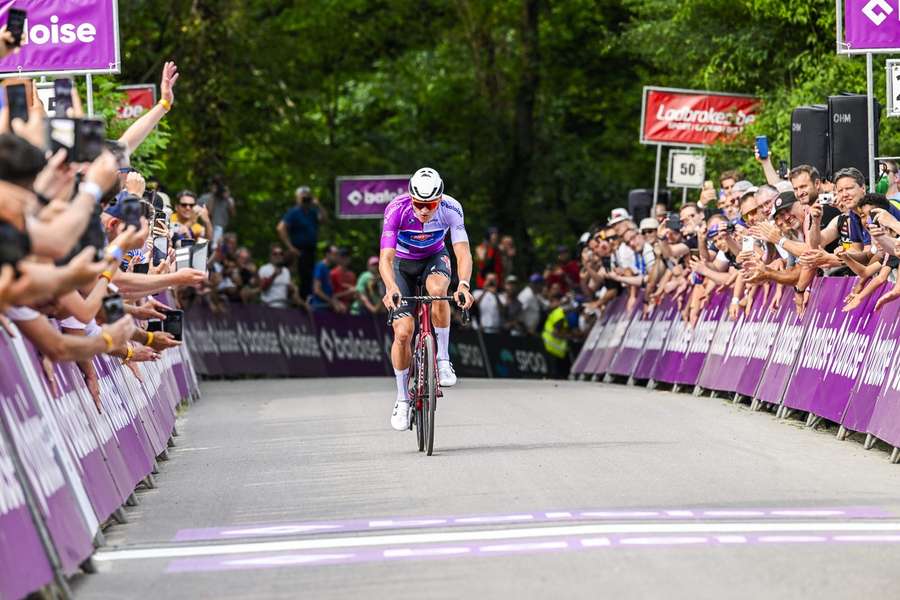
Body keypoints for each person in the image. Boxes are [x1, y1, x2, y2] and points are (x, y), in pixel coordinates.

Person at [379, 167, 474, 431]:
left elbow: (462, 253)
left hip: (434, 258)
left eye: (430, 204)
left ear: (440, 199)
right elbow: (385, 259)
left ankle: (443, 359)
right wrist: (390, 288)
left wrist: (464, 285)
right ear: (410, 198)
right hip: (401, 264)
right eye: (419, 204)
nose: (423, 210)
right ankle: (402, 398)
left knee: (438, 291)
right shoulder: (396, 209)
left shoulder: (452, 209)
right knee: (403, 333)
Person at [277, 186, 326, 300]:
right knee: (300, 276)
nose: (305, 200)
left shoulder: (312, 212)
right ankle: (298, 300)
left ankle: (307, 298)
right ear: (297, 198)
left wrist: (318, 204)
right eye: (303, 197)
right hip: (298, 250)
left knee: (309, 276)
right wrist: (290, 247)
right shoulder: (293, 212)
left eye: (307, 197)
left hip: (311, 250)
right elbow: (280, 228)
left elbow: (324, 219)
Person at [198, 176, 235, 247]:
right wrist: (213, 196)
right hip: (205, 229)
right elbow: (209, 213)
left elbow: (233, 214)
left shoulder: (227, 200)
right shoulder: (205, 197)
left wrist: (228, 199)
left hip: (221, 230)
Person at [258, 244, 292, 309]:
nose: (278, 256)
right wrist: (274, 275)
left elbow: (288, 293)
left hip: (283, 308)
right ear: (270, 256)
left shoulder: (286, 270)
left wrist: (291, 289)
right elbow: (262, 288)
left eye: (281, 253)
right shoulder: (264, 268)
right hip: (268, 307)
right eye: (275, 254)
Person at [310, 245, 343, 312]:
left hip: (326, 309)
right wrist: (332, 302)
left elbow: (329, 292)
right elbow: (317, 290)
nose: (337, 257)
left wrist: (338, 303)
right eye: (335, 254)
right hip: (319, 308)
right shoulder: (320, 267)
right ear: (327, 254)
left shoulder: (328, 269)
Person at [329, 247, 357, 312]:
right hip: (336, 308)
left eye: (347, 256)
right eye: (343, 257)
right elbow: (330, 294)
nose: (346, 259)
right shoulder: (333, 273)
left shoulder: (352, 275)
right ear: (339, 258)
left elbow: (355, 293)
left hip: (351, 308)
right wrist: (348, 292)